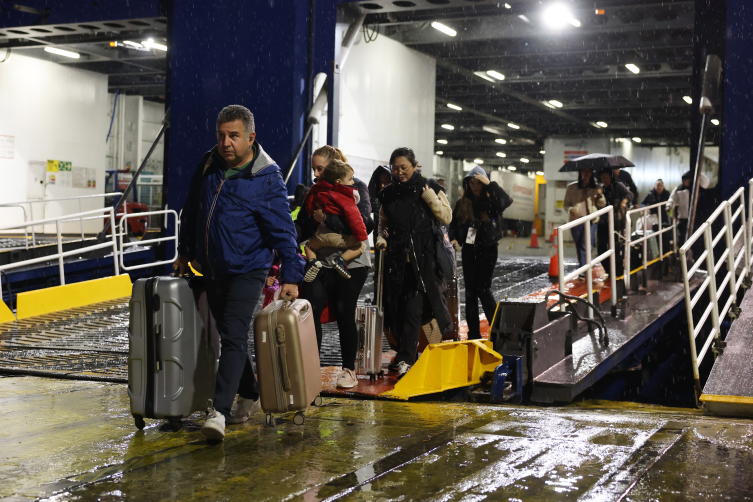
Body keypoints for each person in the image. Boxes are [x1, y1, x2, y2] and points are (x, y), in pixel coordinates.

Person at [175, 105, 305, 441]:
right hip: (211, 268)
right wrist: (184, 252)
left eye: (233, 135)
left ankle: (218, 412)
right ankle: (250, 390)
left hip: (249, 268)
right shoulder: (208, 163)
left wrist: (291, 275)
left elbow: (284, 232)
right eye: (221, 135)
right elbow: (191, 210)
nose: (226, 142)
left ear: (251, 137)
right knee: (230, 335)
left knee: (232, 334)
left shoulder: (266, 177)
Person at [295, 145, 374, 390]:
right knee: (311, 309)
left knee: (344, 312)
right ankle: (311, 367)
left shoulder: (355, 187)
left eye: (320, 168)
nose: (316, 174)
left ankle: (348, 369)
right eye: (314, 169)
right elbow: (304, 225)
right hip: (321, 260)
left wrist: (326, 218)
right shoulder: (315, 191)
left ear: (334, 165)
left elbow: (362, 225)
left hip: (351, 260)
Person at [376, 147, 453, 377]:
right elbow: (383, 223)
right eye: (395, 168)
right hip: (397, 262)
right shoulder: (388, 194)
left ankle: (407, 358)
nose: (399, 172)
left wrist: (431, 200)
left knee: (413, 310)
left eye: (404, 168)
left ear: (414, 165)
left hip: (425, 263)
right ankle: (403, 354)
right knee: (396, 310)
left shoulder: (430, 187)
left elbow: (447, 217)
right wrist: (381, 237)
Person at [448, 166, 513, 341]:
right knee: (470, 292)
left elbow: (506, 201)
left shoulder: (492, 201)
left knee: (483, 289)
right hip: (469, 250)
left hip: (488, 249)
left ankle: (498, 328)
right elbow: (453, 224)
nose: (475, 186)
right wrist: (454, 238)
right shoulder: (462, 203)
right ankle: (473, 333)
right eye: (472, 183)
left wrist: (490, 184)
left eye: (479, 183)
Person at [303, 159, 368, 281]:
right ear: (338, 181)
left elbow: (309, 207)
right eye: (350, 179)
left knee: (309, 246)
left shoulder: (318, 192)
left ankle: (313, 262)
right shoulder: (344, 197)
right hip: (338, 238)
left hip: (320, 236)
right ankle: (341, 260)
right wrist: (360, 235)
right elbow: (355, 217)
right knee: (360, 246)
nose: (353, 182)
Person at [563, 168, 606, 269]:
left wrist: (599, 194)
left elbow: (602, 204)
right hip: (576, 220)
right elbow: (566, 204)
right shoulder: (571, 187)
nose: (586, 174)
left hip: (591, 220)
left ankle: (584, 269)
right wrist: (572, 210)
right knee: (579, 245)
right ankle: (583, 265)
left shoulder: (597, 187)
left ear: (592, 173)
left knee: (585, 245)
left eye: (589, 172)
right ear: (580, 173)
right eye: (584, 171)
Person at [597, 169, 632, 258]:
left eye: (607, 177)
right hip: (603, 219)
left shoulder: (617, 186)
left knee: (614, 242)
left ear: (610, 177)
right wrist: (599, 195)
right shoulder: (600, 189)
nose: (605, 179)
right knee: (602, 244)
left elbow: (630, 194)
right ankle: (605, 261)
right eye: (603, 177)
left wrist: (624, 201)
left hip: (615, 219)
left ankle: (615, 261)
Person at [668, 170, 710, 244]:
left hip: (695, 217)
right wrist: (669, 206)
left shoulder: (696, 187)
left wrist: (697, 172)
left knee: (696, 237)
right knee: (682, 238)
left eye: (687, 179)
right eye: (684, 180)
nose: (686, 181)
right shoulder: (679, 189)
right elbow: (672, 199)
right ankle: (683, 252)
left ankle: (693, 252)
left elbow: (706, 181)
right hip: (683, 218)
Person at [368, 165, 392, 282]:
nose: (382, 185)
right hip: (380, 242)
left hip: (396, 244)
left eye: (387, 181)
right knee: (380, 270)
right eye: (380, 182)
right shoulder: (378, 201)